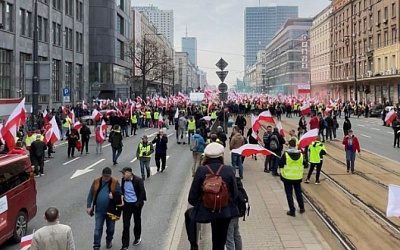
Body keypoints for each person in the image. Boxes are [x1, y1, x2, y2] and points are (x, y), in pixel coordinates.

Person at [188, 142, 239, 250]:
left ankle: (193, 245)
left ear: (206, 156)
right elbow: (235, 194)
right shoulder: (228, 170)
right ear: (221, 155)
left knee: (189, 217)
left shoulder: (201, 170)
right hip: (224, 212)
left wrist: (206, 201)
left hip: (206, 212)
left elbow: (192, 198)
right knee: (219, 243)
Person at [87, 167, 121, 250]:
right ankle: (96, 246)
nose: (106, 178)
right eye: (105, 176)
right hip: (99, 210)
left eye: (108, 176)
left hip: (111, 211)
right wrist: (89, 206)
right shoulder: (96, 181)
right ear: (102, 175)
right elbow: (91, 194)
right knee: (97, 229)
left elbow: (120, 195)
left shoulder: (115, 182)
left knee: (111, 229)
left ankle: (109, 240)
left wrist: (113, 197)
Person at [120, 167, 147, 249]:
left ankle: (137, 237)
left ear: (129, 173)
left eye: (124, 173)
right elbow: (122, 190)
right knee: (126, 225)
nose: (123, 175)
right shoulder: (123, 180)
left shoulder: (138, 180)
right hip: (127, 205)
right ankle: (125, 245)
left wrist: (138, 203)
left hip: (136, 205)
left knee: (137, 221)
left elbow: (142, 192)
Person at [279, 139, 305, 217]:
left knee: (289, 194)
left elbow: (280, 164)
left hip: (287, 177)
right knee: (298, 192)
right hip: (297, 177)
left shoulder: (286, 154)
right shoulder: (300, 154)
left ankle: (292, 211)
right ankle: (302, 208)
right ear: (295, 145)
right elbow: (305, 164)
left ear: (289, 145)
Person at [225, 177, 248, 250]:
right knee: (236, 234)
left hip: (229, 214)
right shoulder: (237, 183)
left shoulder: (227, 184)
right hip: (236, 212)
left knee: (229, 237)